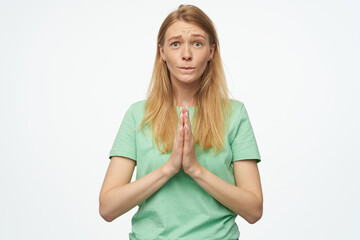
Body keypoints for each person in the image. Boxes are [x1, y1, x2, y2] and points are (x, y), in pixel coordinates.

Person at [99, 4, 263, 240]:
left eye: (197, 43)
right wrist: (169, 168)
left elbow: (254, 209)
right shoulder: (138, 114)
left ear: (211, 51)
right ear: (162, 52)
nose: (186, 54)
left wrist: (195, 169)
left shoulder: (235, 114)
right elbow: (107, 207)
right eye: (175, 43)